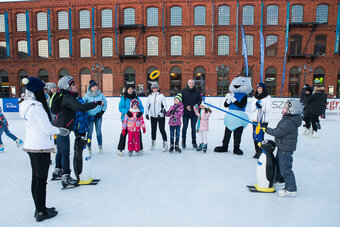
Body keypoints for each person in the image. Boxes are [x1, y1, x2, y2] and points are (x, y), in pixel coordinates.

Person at [19, 77, 70, 222]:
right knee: (41, 180)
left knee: (36, 178)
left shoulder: (25, 104)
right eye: (42, 90)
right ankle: (41, 212)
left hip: (30, 144)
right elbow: (47, 128)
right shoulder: (36, 106)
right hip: (40, 146)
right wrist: (60, 130)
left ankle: (40, 208)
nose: (44, 92)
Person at [52, 75, 101, 188]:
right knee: (65, 153)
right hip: (62, 128)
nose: (75, 86)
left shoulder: (65, 96)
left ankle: (57, 171)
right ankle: (66, 177)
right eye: (73, 84)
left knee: (60, 151)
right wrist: (96, 103)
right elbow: (81, 107)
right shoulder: (67, 97)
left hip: (60, 127)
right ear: (66, 86)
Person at [263, 99, 302, 197]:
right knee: (279, 163)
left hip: (286, 148)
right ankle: (280, 179)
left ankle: (291, 188)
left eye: (285, 107)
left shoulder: (290, 121)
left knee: (286, 168)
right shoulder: (288, 118)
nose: (283, 108)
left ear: (292, 110)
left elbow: (278, 132)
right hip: (283, 146)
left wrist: (266, 130)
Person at [117, 85, 144, 156]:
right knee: (124, 133)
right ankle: (120, 149)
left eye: (132, 89)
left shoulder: (136, 97)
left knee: (138, 134)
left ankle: (140, 148)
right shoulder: (124, 98)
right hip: (126, 119)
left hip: (135, 120)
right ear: (126, 90)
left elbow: (141, 107)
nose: (130, 90)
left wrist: (140, 113)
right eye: (129, 89)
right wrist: (127, 111)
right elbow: (120, 107)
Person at [83, 80, 107, 154]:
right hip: (90, 117)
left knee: (98, 132)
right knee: (89, 133)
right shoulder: (86, 96)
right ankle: (89, 146)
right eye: (93, 86)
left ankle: (100, 146)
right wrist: (86, 113)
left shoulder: (101, 95)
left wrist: (102, 111)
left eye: (96, 86)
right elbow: (83, 106)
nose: (95, 88)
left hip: (98, 116)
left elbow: (105, 104)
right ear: (91, 87)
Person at [250, 82, 272, 159]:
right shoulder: (254, 97)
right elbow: (252, 108)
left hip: (263, 120)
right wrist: (256, 106)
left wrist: (262, 106)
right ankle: (256, 151)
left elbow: (268, 109)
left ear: (263, 89)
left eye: (261, 88)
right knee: (255, 136)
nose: (259, 89)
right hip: (255, 119)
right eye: (258, 88)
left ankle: (261, 151)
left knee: (261, 136)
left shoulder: (267, 97)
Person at [145, 82, 168, 152]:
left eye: (156, 88)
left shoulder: (161, 96)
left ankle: (165, 143)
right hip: (153, 116)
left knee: (162, 129)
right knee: (153, 130)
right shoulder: (150, 97)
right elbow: (147, 106)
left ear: (158, 88)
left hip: (160, 116)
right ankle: (153, 143)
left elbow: (165, 105)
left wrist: (161, 113)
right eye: (153, 88)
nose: (155, 89)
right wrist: (146, 113)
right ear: (151, 89)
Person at [180, 79, 202, 149]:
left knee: (193, 128)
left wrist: (197, 104)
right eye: (190, 83)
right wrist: (186, 106)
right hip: (186, 113)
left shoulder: (197, 91)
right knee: (185, 126)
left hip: (194, 113)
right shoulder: (183, 91)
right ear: (187, 83)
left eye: (192, 83)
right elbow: (181, 100)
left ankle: (194, 141)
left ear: (194, 84)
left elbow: (200, 100)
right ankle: (183, 140)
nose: (191, 84)